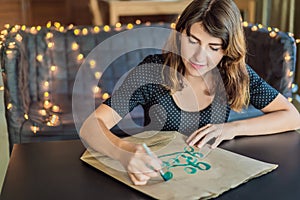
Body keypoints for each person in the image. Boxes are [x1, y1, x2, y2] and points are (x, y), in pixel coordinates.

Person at [80, 0, 300, 185]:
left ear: (227, 50)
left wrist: (231, 129)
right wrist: (124, 152)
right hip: (160, 179)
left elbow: (292, 116)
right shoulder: (152, 72)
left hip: (210, 177)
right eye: (192, 41)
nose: (199, 58)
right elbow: (90, 126)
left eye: (213, 48)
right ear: (179, 35)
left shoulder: (232, 72)